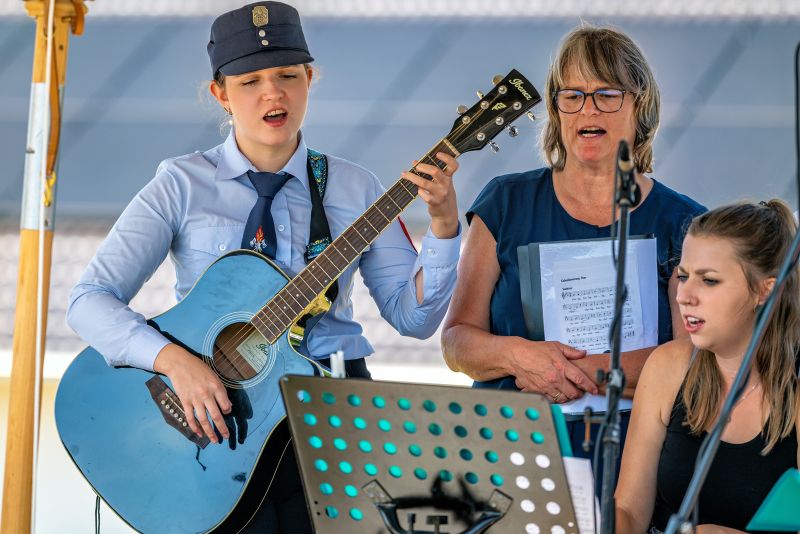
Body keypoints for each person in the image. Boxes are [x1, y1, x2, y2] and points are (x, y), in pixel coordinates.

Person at [66, 2, 461, 532]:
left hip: (334, 415)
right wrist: (174, 362)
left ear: (309, 80)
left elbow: (414, 319)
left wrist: (443, 224)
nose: (273, 94)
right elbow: (88, 300)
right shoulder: (180, 184)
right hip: (215, 421)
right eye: (250, 81)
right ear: (220, 93)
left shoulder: (357, 188)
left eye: (287, 76)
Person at [441, 24, 705, 464]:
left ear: (640, 105)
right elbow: (456, 342)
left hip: (638, 458)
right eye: (573, 95)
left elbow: (694, 361)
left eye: (607, 94)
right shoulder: (505, 203)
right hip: (511, 453)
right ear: (556, 108)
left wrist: (572, 371)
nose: (588, 109)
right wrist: (519, 356)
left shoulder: (686, 224)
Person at [615, 200, 800, 534]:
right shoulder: (668, 366)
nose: (684, 296)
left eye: (709, 280)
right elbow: (628, 509)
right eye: (683, 276)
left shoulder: (793, 385)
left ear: (765, 291)